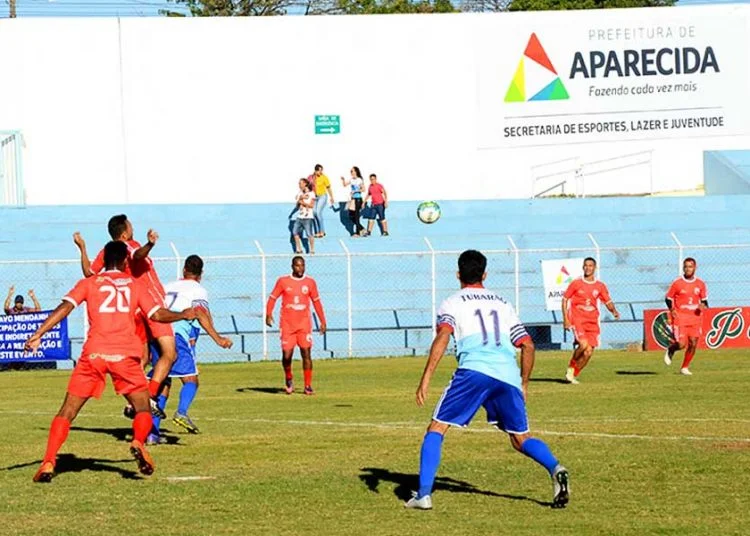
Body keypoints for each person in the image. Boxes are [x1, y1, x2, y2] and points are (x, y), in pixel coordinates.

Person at [406, 249, 569, 510]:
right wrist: (523, 383)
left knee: (437, 428)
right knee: (520, 438)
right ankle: (555, 467)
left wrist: (426, 378)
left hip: (474, 371)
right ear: (485, 274)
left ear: (458, 274)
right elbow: (527, 345)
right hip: (507, 375)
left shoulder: (452, 303)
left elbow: (443, 336)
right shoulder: (503, 303)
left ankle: (423, 495)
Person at [24, 241, 196, 483]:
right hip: (125, 356)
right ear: (126, 261)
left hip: (94, 354)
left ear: (103, 261)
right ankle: (138, 442)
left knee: (67, 411)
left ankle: (49, 461)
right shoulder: (135, 285)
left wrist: (39, 333)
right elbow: (156, 314)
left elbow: (65, 308)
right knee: (143, 408)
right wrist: (183, 314)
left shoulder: (89, 283)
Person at [73, 215, 177, 416]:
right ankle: (150, 397)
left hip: (132, 308)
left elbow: (88, 272)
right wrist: (150, 244)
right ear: (124, 233)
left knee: (143, 357)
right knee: (170, 353)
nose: (132, 228)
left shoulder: (107, 251)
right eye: (130, 226)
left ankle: (134, 400)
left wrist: (82, 247)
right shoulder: (129, 245)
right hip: (151, 304)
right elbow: (137, 255)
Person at [148, 255, 233, 443]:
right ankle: (182, 412)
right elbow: (201, 313)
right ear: (200, 274)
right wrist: (218, 338)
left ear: (184, 270)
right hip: (175, 335)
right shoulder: (198, 289)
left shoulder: (168, 286)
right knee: (191, 380)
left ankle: (152, 434)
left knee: (163, 383)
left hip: (157, 333)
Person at [265, 256, 327, 395]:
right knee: (287, 356)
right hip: (287, 325)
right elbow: (272, 298)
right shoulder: (283, 281)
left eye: (303, 265)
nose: (301, 268)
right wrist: (268, 314)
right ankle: (288, 378)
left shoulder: (310, 282)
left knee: (306, 353)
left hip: (304, 325)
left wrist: (323, 320)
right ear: (292, 266)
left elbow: (316, 302)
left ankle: (308, 385)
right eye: (298, 266)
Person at [561, 257, 620, 384]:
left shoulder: (600, 286)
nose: (588, 268)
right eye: (586, 265)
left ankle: (572, 374)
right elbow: (565, 299)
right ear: (583, 267)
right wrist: (566, 319)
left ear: (595, 268)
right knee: (583, 345)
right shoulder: (576, 283)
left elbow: (607, 301)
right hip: (577, 319)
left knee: (588, 353)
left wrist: (614, 311)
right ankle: (571, 366)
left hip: (592, 321)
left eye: (590, 265)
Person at [664, 257, 708, 376]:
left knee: (693, 343)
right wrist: (672, 309)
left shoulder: (700, 283)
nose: (688, 269)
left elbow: (705, 301)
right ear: (683, 268)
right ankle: (671, 349)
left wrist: (702, 306)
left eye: (690, 266)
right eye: (686, 266)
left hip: (695, 318)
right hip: (680, 317)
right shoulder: (677, 282)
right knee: (681, 344)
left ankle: (684, 367)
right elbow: (668, 298)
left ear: (695, 268)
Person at [293, 178, 316, 255]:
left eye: (300, 183)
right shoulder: (300, 194)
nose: (299, 185)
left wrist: (303, 203)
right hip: (300, 216)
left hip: (308, 217)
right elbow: (297, 204)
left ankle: (312, 249)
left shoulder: (312, 194)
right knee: (295, 232)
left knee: (309, 234)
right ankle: (298, 249)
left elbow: (311, 205)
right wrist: (300, 199)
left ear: (305, 184)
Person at [311, 164, 335, 238]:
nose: (321, 172)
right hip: (315, 197)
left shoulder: (324, 177)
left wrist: (331, 197)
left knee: (318, 212)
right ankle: (317, 231)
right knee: (314, 213)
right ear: (316, 170)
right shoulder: (312, 177)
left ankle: (322, 231)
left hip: (322, 196)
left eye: (321, 170)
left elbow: (328, 188)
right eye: (319, 170)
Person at [341, 166, 365, 237]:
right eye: (351, 171)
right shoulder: (351, 180)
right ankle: (361, 228)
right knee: (351, 215)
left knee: (356, 215)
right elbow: (345, 185)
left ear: (356, 172)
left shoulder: (359, 180)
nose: (351, 173)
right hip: (353, 199)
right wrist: (343, 180)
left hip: (358, 199)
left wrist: (355, 191)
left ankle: (357, 233)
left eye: (352, 171)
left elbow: (363, 189)